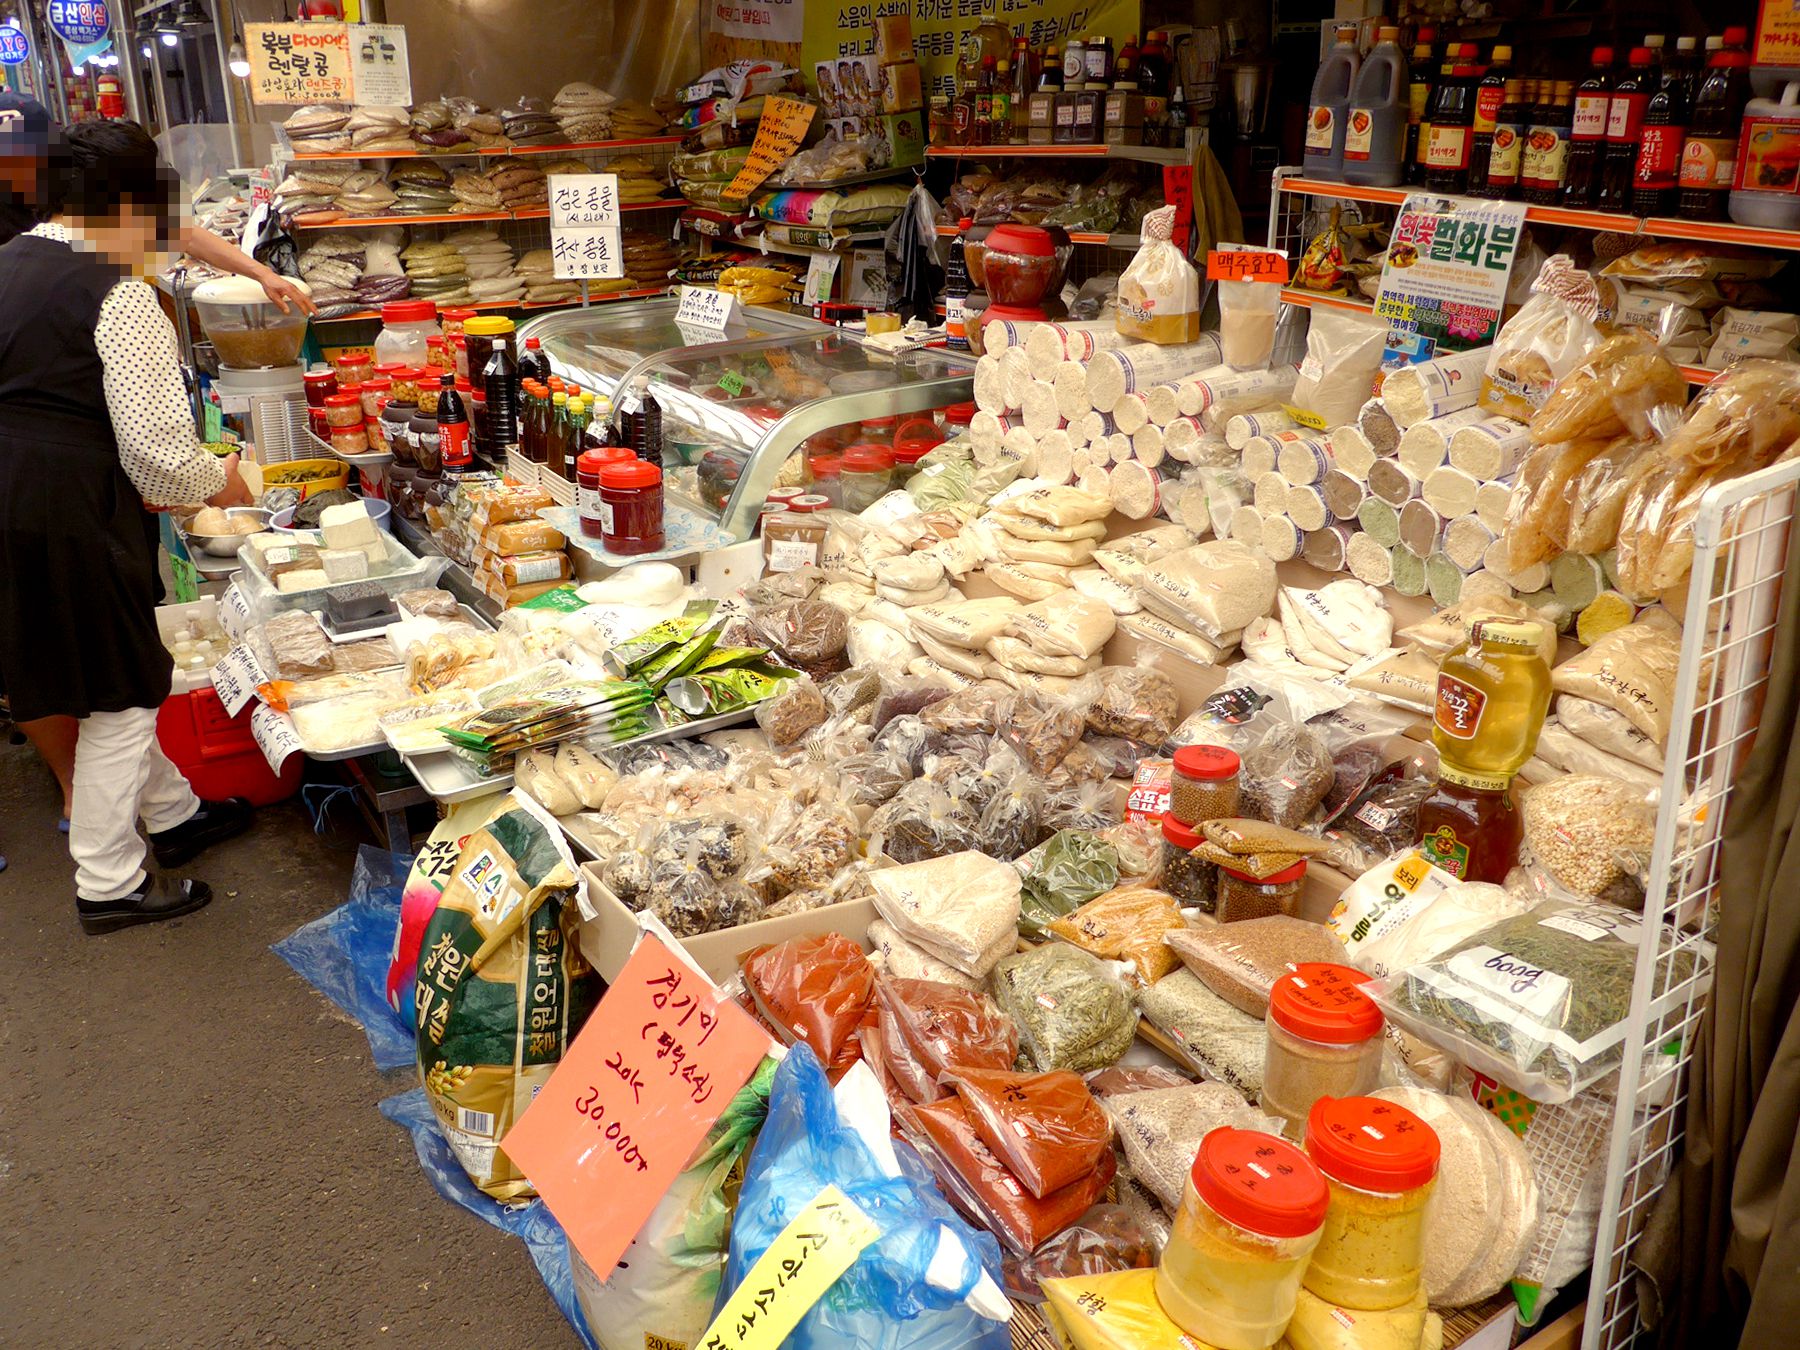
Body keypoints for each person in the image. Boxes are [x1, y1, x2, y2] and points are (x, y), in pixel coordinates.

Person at [0, 95, 311, 837]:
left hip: (12, 498)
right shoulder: (116, 289)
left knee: (58, 668)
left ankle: (174, 818)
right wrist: (219, 482)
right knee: (122, 695)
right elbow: (158, 454)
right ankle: (110, 882)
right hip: (68, 508)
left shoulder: (9, 261)